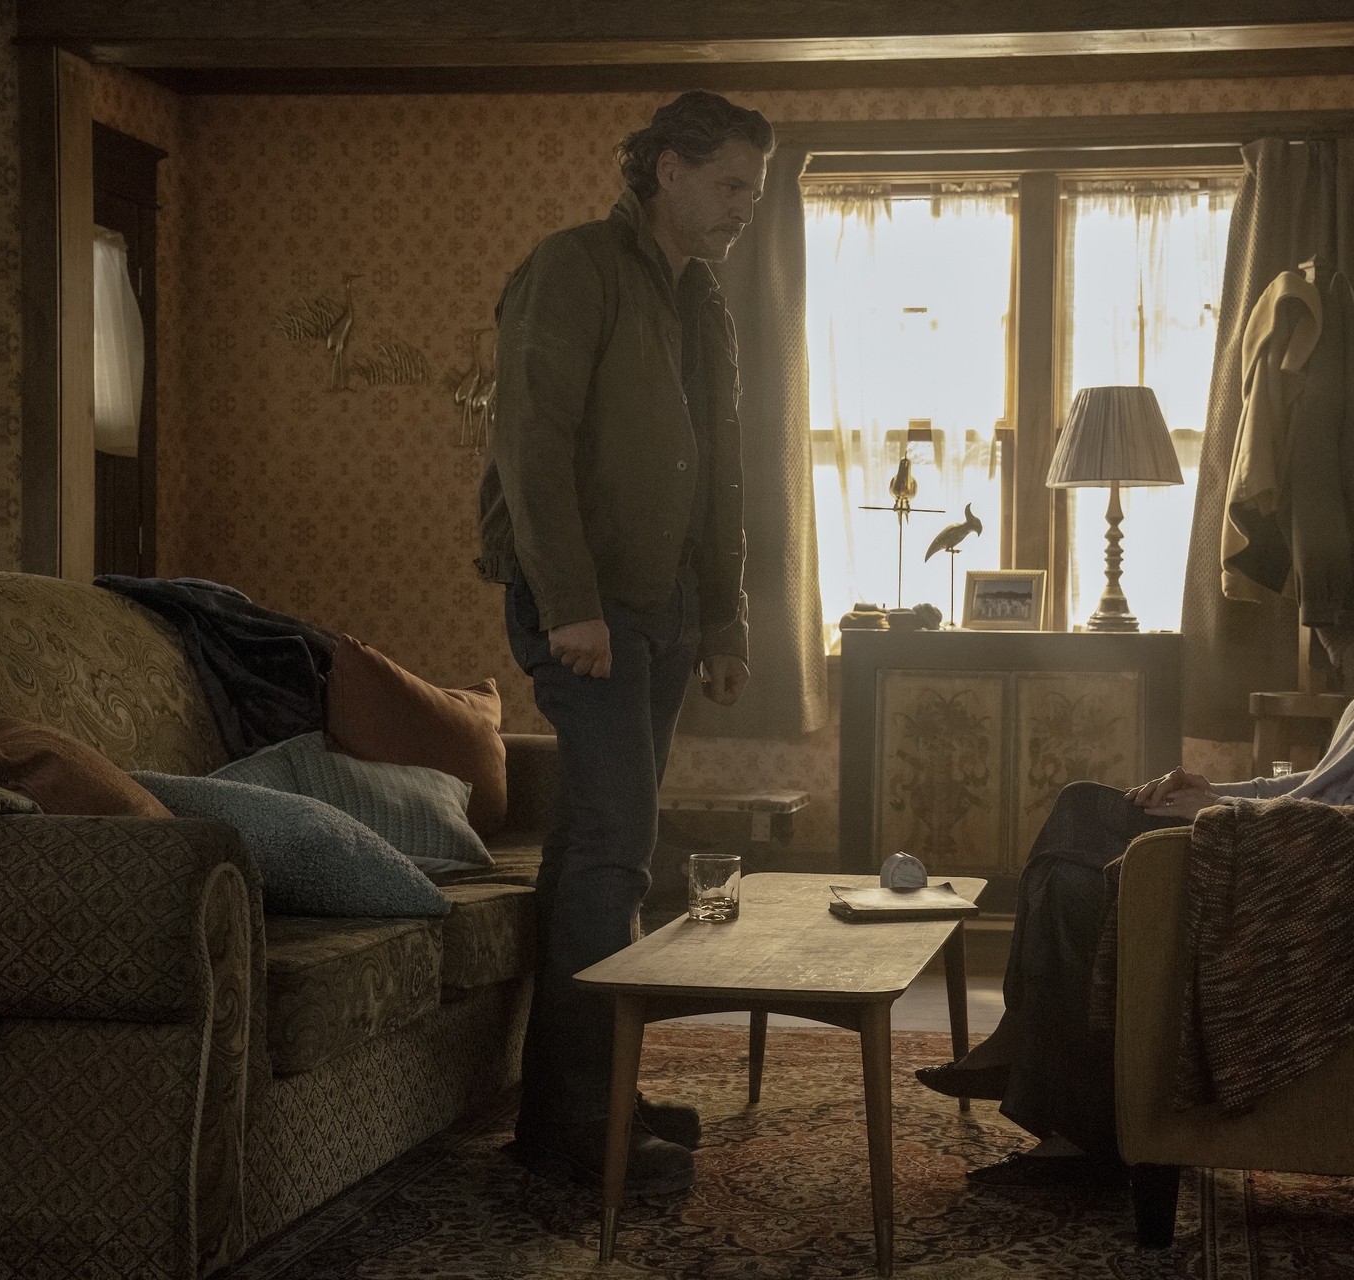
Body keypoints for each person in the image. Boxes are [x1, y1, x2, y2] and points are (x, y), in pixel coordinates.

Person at [916, 434, 1354, 1186]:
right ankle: (1024, 1043)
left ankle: (1082, 1144)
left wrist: (1220, 820)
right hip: (1301, 840)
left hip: (1323, 875)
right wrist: (1214, 795)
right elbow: (1329, 782)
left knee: (1076, 884)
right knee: (1085, 805)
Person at [476, 90, 774, 1196]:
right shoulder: (572, 267)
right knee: (616, 850)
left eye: (755, 190)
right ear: (668, 171)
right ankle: (578, 1125)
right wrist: (569, 605)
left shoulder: (706, 302)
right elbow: (530, 443)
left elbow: (723, 470)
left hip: (664, 611)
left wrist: (725, 618)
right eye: (731, 183)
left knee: (592, 850)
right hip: (585, 607)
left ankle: (575, 1099)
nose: (744, 207)